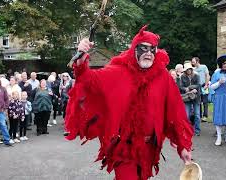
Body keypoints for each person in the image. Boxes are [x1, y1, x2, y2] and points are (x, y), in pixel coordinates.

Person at [65, 26, 193, 180]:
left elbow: (175, 112)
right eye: (143, 48)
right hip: (124, 148)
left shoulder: (163, 77)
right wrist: (81, 57)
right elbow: (88, 79)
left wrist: (183, 146)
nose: (148, 53)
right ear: (134, 50)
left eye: (152, 50)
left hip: (149, 148)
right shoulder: (118, 72)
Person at [180, 61, 201, 136]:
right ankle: (188, 130)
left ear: (191, 69)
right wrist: (185, 89)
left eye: (189, 69)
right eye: (187, 69)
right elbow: (181, 86)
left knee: (197, 115)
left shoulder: (196, 75)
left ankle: (197, 130)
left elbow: (199, 85)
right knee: (187, 115)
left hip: (196, 97)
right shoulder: (182, 76)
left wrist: (191, 88)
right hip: (187, 97)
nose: (188, 70)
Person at [191, 57, 210, 122]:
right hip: (197, 87)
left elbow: (207, 75)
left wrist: (206, 85)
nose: (192, 63)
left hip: (204, 86)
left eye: (193, 61)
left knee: (205, 102)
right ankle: (200, 116)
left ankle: (205, 116)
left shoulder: (204, 67)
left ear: (197, 61)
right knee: (198, 102)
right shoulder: (193, 69)